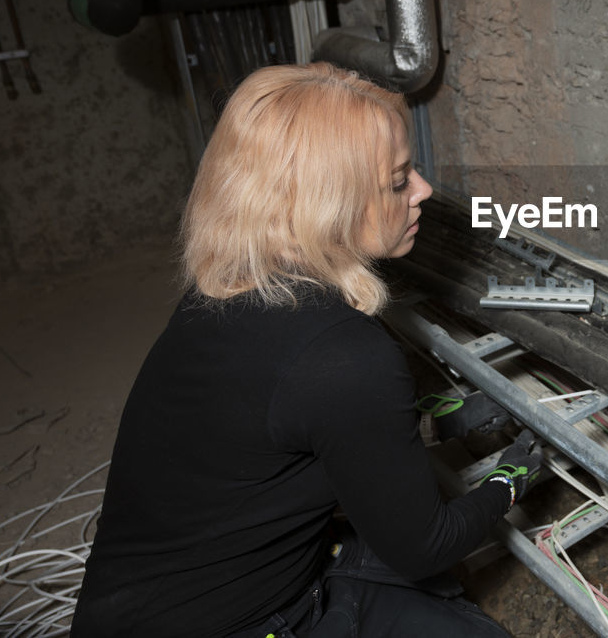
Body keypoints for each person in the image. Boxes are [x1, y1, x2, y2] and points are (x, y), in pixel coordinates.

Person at [72, 63, 541, 637]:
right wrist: (510, 479)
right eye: (398, 180)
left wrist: (430, 425)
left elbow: (287, 427)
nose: (422, 190)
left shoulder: (224, 289)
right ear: (331, 203)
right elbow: (426, 545)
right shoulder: (345, 356)